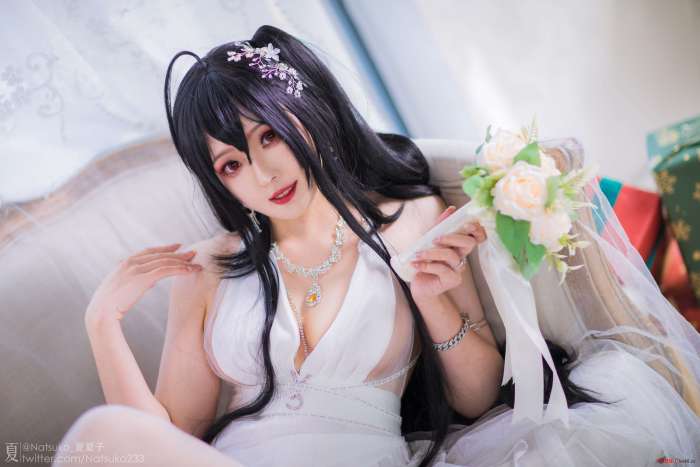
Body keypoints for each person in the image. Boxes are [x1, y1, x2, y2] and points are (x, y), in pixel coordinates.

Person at [52, 25, 700, 467]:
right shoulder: (210, 267)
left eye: (268, 136)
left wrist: (432, 299)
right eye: (231, 164)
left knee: (97, 434)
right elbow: (163, 441)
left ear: (303, 112)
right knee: (101, 438)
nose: (263, 174)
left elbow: (476, 398)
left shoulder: (410, 218)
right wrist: (102, 323)